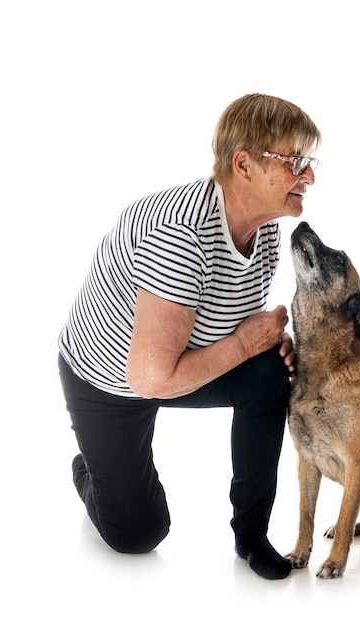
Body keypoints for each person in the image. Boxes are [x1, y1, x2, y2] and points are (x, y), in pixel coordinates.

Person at [58, 93, 321, 580]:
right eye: (295, 161)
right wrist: (245, 343)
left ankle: (251, 536)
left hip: (176, 361)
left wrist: (264, 344)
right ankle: (89, 469)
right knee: (138, 535)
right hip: (112, 380)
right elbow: (151, 378)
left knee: (268, 375)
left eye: (309, 162)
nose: (309, 175)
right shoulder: (179, 234)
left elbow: (232, 319)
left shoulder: (262, 227)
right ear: (243, 164)